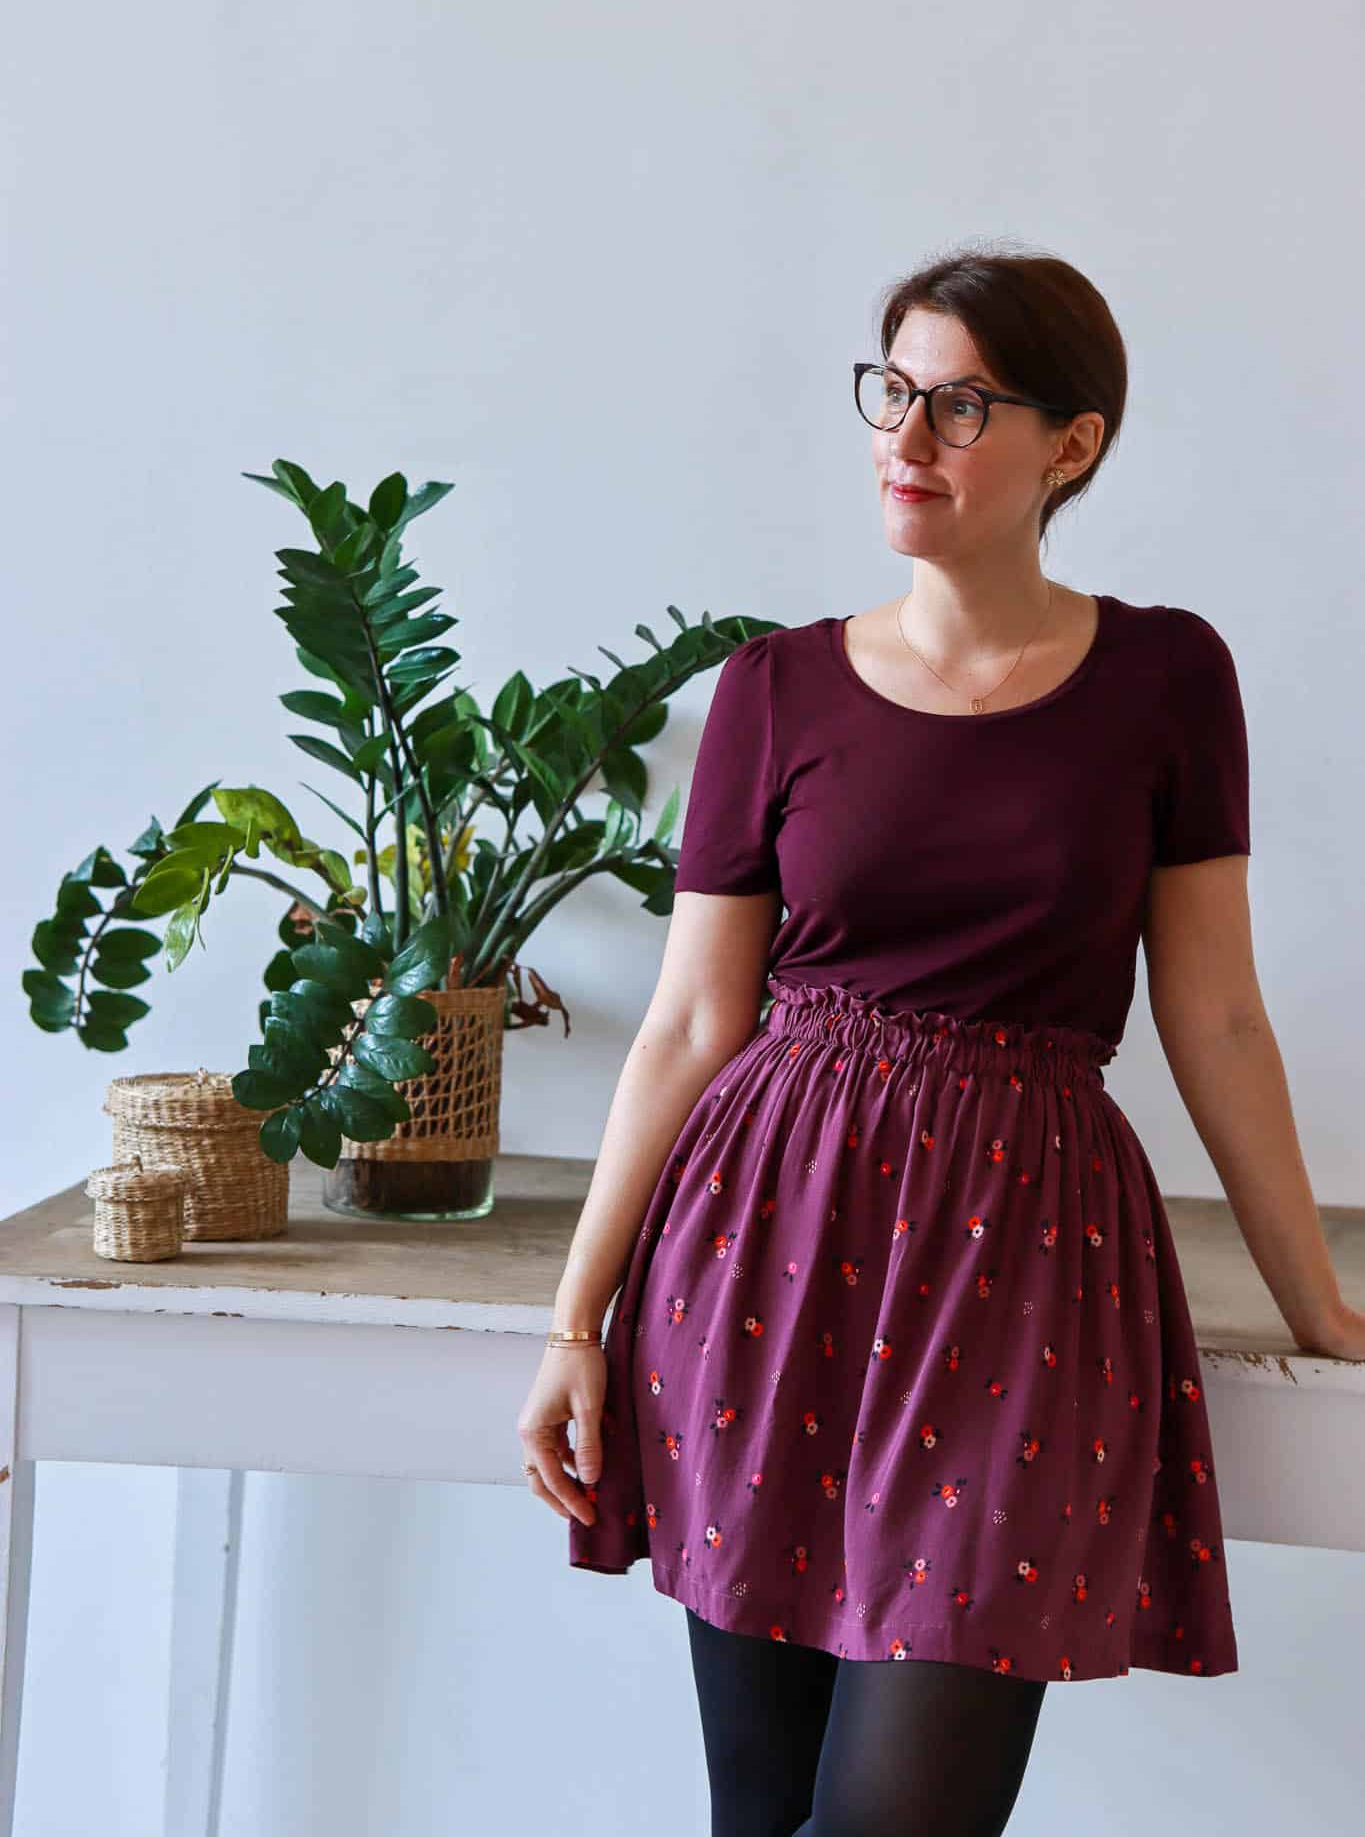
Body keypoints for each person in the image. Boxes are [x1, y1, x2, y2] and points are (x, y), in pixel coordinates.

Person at [515, 244, 1365, 1837]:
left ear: (1071, 444)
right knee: (760, 1815)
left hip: (1026, 1261)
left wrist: (1311, 1299)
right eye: (892, 391)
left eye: (960, 405)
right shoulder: (773, 688)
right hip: (765, 1247)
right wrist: (577, 1320)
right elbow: (690, 1022)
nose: (905, 438)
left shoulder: (1166, 677)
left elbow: (1216, 1014)